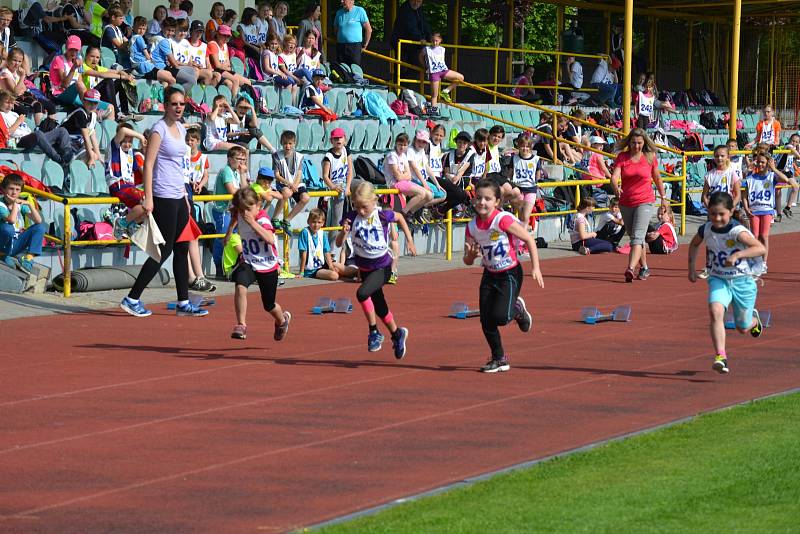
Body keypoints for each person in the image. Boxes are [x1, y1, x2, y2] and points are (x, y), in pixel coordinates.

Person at [120, 86, 207, 318]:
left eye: (181, 104)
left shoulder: (180, 127)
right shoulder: (159, 129)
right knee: (164, 250)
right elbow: (148, 165)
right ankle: (132, 298)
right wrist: (148, 198)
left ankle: (183, 302)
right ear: (165, 106)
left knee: (181, 248)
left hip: (178, 195)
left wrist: (185, 197)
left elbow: (179, 165)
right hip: (162, 195)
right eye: (174, 104)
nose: (178, 108)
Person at [463, 179, 543, 373]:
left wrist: (536, 268)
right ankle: (499, 358)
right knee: (486, 320)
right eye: (479, 198)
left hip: (510, 273)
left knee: (500, 317)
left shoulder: (502, 220)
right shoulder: (472, 227)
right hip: (489, 274)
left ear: (497, 202)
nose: (482, 202)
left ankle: (517, 310)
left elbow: (529, 239)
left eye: (487, 199)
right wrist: (471, 256)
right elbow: (466, 260)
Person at [688, 191, 766, 374]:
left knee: (742, 328)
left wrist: (738, 254)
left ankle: (755, 321)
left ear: (731, 212)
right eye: (713, 213)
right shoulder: (706, 229)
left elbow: (760, 248)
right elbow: (693, 244)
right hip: (718, 278)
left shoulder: (736, 231)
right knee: (715, 311)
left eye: (721, 214)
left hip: (742, 281)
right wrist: (691, 268)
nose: (717, 218)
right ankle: (720, 356)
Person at [335, 182, 416, 358]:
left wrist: (409, 240)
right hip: (364, 268)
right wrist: (344, 232)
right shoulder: (351, 217)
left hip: (383, 267)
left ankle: (374, 332)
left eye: (364, 207)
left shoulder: (382, 215)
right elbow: (338, 243)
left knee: (362, 294)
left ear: (374, 201)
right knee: (380, 307)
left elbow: (400, 218)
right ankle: (397, 334)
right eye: (357, 207)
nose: (361, 211)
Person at [224, 186, 290, 341]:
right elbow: (234, 217)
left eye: (248, 209)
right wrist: (228, 234)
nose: (244, 213)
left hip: (267, 265)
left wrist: (253, 223)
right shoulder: (239, 213)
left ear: (258, 205)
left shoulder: (262, 219)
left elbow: (269, 238)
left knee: (269, 305)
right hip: (248, 261)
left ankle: (282, 320)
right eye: (241, 210)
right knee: (240, 286)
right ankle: (241, 324)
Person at [611, 127, 668, 282]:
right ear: (629, 142)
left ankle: (630, 268)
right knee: (637, 238)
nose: (636, 146)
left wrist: (663, 197)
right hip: (625, 202)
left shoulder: (649, 157)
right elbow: (614, 176)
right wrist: (616, 187)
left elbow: (657, 178)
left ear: (644, 143)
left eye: (639, 143)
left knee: (637, 237)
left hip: (645, 201)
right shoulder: (622, 157)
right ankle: (644, 267)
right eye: (634, 142)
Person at [742, 149, 790, 274]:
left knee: (764, 236)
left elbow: (785, 180)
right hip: (754, 210)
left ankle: (763, 263)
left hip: (767, 210)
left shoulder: (771, 176)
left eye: (763, 162)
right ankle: (754, 261)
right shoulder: (751, 178)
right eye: (758, 162)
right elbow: (744, 195)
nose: (760, 164)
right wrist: (746, 208)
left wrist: (774, 168)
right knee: (755, 236)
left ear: (768, 163)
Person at [211, 145, 250, 276]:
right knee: (222, 237)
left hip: (233, 210)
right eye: (239, 159)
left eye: (244, 159)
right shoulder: (226, 170)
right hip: (223, 211)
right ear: (230, 159)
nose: (241, 162)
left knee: (233, 238)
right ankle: (218, 266)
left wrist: (243, 173)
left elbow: (244, 190)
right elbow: (233, 191)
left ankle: (230, 264)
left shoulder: (236, 172)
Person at [107, 122, 147, 239]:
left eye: (130, 142)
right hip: (118, 185)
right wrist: (140, 136)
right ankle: (122, 223)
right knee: (144, 199)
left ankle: (131, 224)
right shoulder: (114, 148)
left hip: (130, 187)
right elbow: (123, 130)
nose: (127, 144)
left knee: (152, 202)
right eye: (124, 141)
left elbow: (139, 172)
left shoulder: (131, 154)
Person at [0, 173, 45, 274]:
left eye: (17, 190)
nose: (14, 193)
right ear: (3, 189)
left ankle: (28, 258)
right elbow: (11, 220)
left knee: (39, 228)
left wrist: (29, 204)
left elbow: (38, 221)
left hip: (15, 244)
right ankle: (2, 254)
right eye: (11, 188)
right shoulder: (1, 204)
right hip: (1, 245)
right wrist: (15, 204)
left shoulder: (21, 204)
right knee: (8, 228)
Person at [383, 132, 434, 219]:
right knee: (421, 193)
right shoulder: (392, 155)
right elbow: (398, 177)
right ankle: (404, 212)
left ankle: (410, 212)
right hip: (393, 184)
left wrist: (402, 175)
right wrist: (403, 175)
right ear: (396, 144)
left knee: (429, 195)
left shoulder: (403, 156)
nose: (402, 147)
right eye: (400, 144)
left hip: (404, 182)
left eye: (405, 145)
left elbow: (409, 175)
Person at [271, 130, 310, 232]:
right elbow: (276, 175)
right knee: (287, 193)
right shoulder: (276, 156)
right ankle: (275, 218)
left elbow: (299, 173)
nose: (287, 146)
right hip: (283, 183)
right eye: (285, 143)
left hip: (296, 183)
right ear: (281, 143)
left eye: (290, 143)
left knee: (305, 198)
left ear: (294, 143)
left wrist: (294, 185)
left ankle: (287, 220)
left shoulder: (299, 156)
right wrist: (289, 184)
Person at [505, 132, 541, 234]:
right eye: (522, 146)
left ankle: (522, 239)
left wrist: (536, 180)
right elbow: (511, 172)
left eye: (527, 147)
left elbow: (538, 171)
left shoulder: (535, 159)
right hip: (518, 189)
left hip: (530, 189)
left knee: (525, 216)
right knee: (520, 216)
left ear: (530, 147)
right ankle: (522, 237)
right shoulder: (514, 158)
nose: (525, 149)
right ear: (519, 146)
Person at [61, 88, 102, 168]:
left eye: (95, 103)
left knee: (95, 156)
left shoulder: (93, 115)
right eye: (90, 102)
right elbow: (86, 138)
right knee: (91, 156)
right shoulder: (80, 113)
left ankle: (74, 172)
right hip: (64, 141)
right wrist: (91, 157)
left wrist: (99, 157)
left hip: (75, 142)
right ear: (84, 101)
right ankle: (70, 173)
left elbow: (93, 137)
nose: (92, 105)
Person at [322, 127, 355, 229]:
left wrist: (348, 187)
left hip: (347, 182)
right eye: (335, 138)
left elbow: (350, 171)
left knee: (365, 186)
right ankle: (333, 244)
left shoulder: (346, 150)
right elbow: (325, 176)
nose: (338, 140)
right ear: (331, 141)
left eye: (340, 138)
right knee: (337, 219)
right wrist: (333, 187)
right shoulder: (328, 156)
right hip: (336, 185)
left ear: (344, 139)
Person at [390, 0, 431, 80]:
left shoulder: (419, 11)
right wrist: (420, 38)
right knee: (400, 67)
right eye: (414, 1)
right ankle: (398, 88)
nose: (416, 3)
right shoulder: (405, 9)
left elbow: (425, 25)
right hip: (402, 44)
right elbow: (410, 26)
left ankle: (404, 87)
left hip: (413, 45)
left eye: (418, 1)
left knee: (417, 66)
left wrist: (430, 38)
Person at [131, 16, 176, 85]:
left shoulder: (135, 37)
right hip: (144, 66)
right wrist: (150, 60)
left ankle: (163, 94)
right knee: (171, 80)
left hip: (143, 65)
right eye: (139, 28)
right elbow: (145, 52)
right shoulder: (138, 38)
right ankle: (171, 95)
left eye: (144, 29)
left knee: (168, 77)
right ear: (133, 27)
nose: (141, 31)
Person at [298, 208, 341, 280]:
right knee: (334, 276)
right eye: (314, 222)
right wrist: (301, 272)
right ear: (308, 221)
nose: (316, 225)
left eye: (319, 222)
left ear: (323, 223)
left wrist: (330, 266)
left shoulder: (322, 233)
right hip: (312, 270)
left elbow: (326, 251)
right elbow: (303, 253)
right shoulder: (305, 232)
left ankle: (359, 273)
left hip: (322, 264)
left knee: (346, 269)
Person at [333, 0, 372, 66]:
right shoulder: (339, 13)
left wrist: (365, 45)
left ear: (351, 1)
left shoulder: (359, 11)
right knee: (341, 69)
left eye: (344, 0)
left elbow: (369, 30)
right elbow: (335, 29)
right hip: (341, 46)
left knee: (354, 69)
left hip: (354, 47)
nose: (341, 1)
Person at [774, 133, 800, 219]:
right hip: (780, 170)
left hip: (788, 172)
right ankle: (778, 212)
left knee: (796, 187)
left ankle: (787, 208)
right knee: (778, 191)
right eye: (793, 141)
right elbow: (796, 154)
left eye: (796, 142)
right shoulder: (788, 146)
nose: (794, 143)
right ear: (789, 140)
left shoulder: (795, 148)